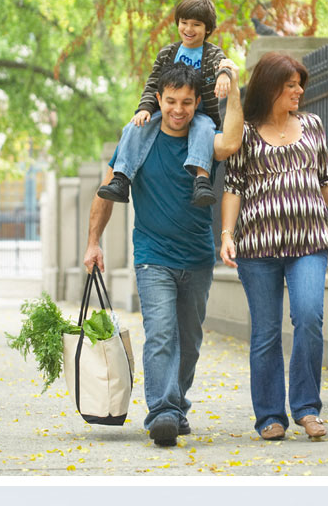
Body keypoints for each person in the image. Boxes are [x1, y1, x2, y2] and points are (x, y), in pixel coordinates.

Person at [84, 60, 243, 447]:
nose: (178, 110)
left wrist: (234, 87)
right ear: (158, 99)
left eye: (187, 103)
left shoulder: (205, 137)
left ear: (195, 103)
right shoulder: (139, 136)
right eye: (171, 101)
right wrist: (93, 242)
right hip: (153, 254)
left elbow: (234, 141)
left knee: (189, 341)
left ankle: (177, 405)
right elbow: (106, 193)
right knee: (160, 334)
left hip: (198, 255)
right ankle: (162, 412)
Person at [219, 51, 328, 441]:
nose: (299, 91)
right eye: (291, 85)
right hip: (257, 246)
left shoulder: (312, 125)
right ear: (270, 87)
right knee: (265, 332)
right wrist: (227, 235)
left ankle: (307, 408)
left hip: (309, 243)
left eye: (300, 84)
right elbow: (233, 187)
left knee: (309, 317)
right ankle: (269, 415)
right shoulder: (244, 133)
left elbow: (326, 180)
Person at [97, 0, 233, 207]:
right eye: (184, 23)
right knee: (134, 127)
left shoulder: (211, 53)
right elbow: (153, 84)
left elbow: (223, 64)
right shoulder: (168, 53)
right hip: (169, 109)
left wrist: (224, 75)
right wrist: (144, 108)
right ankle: (121, 178)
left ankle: (202, 180)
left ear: (207, 29)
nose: (188, 29)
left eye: (196, 24)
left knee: (204, 129)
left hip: (200, 112)